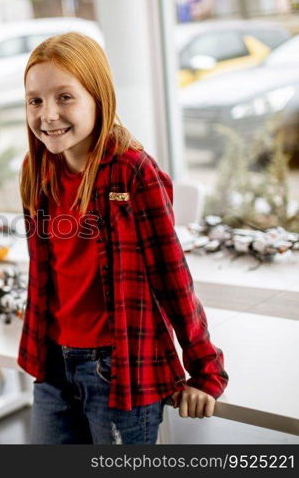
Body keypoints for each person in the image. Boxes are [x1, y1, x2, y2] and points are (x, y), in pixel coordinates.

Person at [19, 33, 228, 444]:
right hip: (54, 363)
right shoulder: (36, 168)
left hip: (118, 370)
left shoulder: (133, 172)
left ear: (99, 97)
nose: (48, 115)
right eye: (35, 100)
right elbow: (47, 273)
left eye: (65, 97)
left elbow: (173, 278)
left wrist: (205, 369)